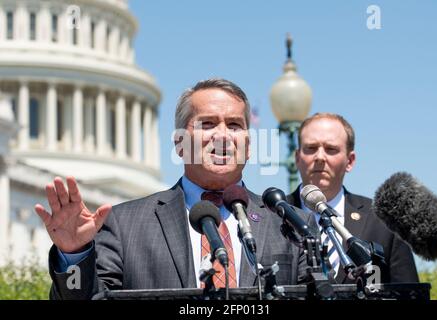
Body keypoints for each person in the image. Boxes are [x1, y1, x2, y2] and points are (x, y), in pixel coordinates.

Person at [34, 78, 317, 300]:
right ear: (180, 143)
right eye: (207, 124)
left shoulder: (290, 223)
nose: (222, 136)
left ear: (249, 145)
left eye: (234, 125)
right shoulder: (124, 224)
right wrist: (75, 255)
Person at [287, 112, 419, 284]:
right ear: (297, 157)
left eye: (331, 149)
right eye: (311, 148)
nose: (319, 157)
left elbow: (409, 292)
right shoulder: (271, 216)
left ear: (350, 161)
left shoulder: (383, 220)